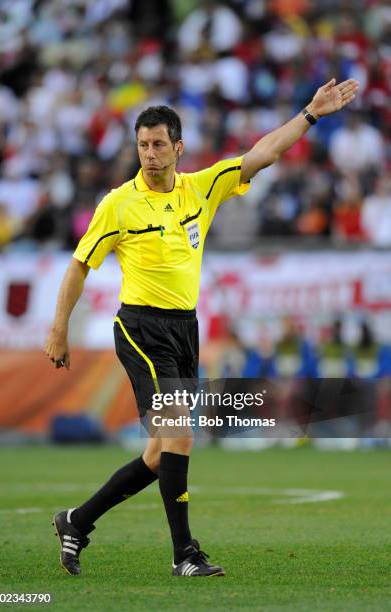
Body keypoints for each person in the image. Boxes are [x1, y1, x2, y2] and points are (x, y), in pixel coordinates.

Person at [45, 78, 358, 577]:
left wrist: (311, 114)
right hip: (140, 329)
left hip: (184, 330)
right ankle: (184, 554)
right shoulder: (118, 204)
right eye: (142, 145)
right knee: (180, 434)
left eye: (158, 145)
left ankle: (76, 521)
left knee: (156, 455)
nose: (149, 154)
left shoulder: (202, 187)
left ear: (178, 147)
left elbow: (262, 154)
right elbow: (80, 265)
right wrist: (59, 327)